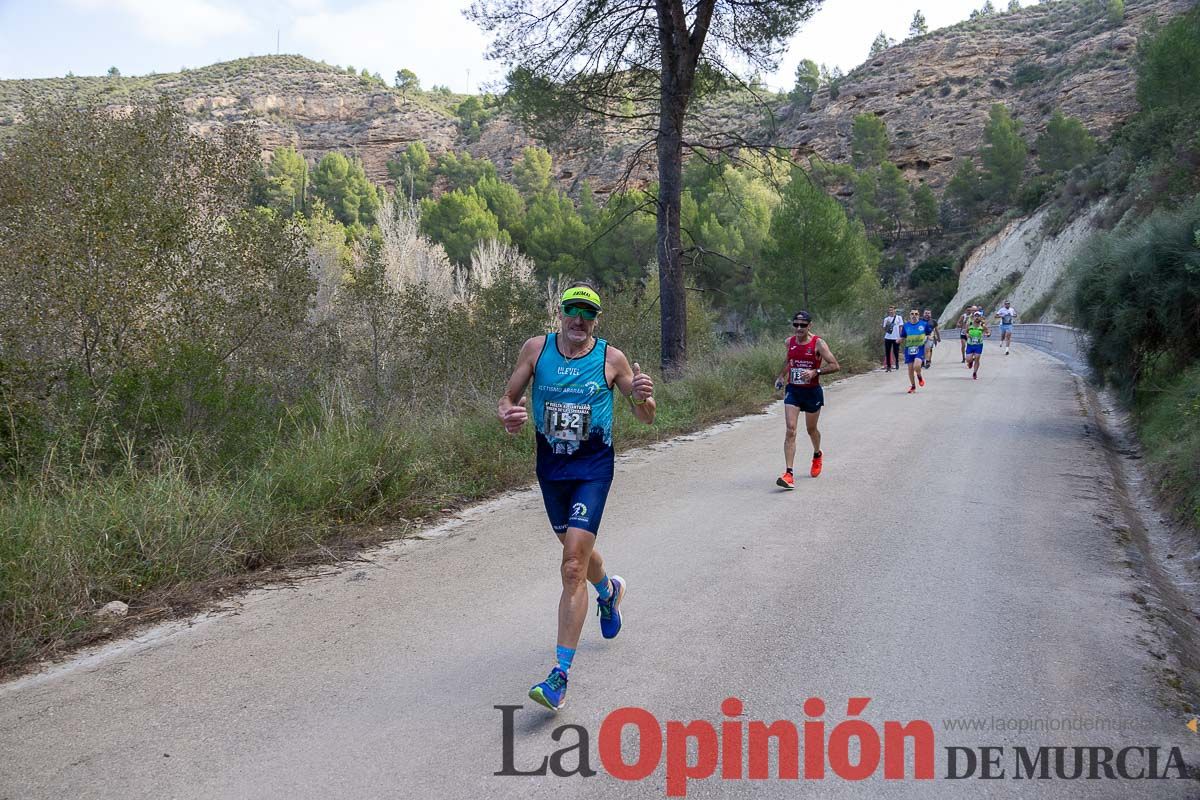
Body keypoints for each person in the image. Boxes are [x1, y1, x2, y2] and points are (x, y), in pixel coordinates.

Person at [498, 283, 656, 712]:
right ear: (561, 313)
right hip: (551, 471)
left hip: (592, 470)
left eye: (588, 313)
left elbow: (644, 416)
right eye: (573, 311)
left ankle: (559, 677)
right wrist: (508, 413)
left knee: (571, 566)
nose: (579, 320)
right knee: (580, 557)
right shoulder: (536, 349)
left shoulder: (611, 358)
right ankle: (608, 592)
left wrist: (645, 398)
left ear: (596, 320)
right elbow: (508, 397)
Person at [774, 310, 841, 488]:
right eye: (795, 324)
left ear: (809, 326)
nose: (798, 328)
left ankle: (817, 454)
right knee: (790, 429)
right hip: (793, 390)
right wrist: (781, 376)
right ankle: (789, 474)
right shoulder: (789, 342)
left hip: (812, 392)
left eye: (803, 325)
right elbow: (790, 361)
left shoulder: (818, 343)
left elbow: (835, 365)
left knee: (811, 430)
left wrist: (815, 372)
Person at [901, 309, 928, 394]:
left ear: (918, 315)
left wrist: (928, 337)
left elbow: (929, 333)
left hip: (919, 348)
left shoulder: (923, 324)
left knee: (916, 366)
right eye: (912, 314)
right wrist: (899, 339)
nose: (914, 315)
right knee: (910, 369)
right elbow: (903, 336)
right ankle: (913, 386)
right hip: (909, 349)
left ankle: (919, 376)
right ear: (910, 315)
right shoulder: (906, 326)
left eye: (916, 314)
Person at [965, 311, 989, 380]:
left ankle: (974, 373)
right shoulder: (969, 325)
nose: (977, 317)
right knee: (968, 359)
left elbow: (988, 332)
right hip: (970, 344)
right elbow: (965, 332)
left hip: (978, 344)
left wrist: (988, 334)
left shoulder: (983, 326)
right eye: (976, 316)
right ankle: (970, 362)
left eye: (978, 316)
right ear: (973, 317)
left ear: (981, 317)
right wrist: (967, 335)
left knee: (977, 358)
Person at [882, 305, 903, 372]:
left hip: (896, 337)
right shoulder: (886, 319)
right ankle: (888, 366)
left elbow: (900, 327)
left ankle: (896, 362)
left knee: (896, 351)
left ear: (895, 310)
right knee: (887, 351)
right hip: (888, 337)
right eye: (890, 310)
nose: (891, 311)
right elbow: (884, 328)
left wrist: (900, 336)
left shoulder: (899, 318)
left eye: (892, 310)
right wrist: (888, 326)